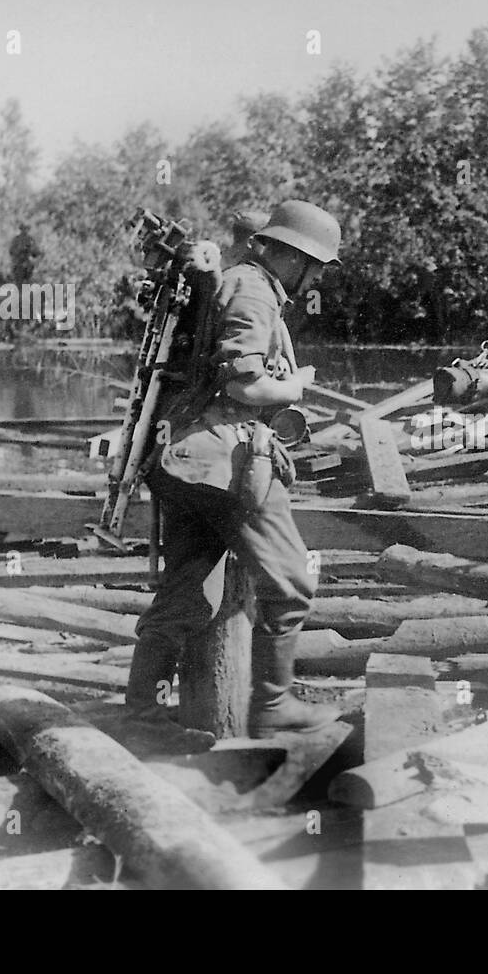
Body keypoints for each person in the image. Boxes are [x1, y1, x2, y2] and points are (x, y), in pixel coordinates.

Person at [128, 200, 342, 738]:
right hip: (225, 461)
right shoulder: (252, 289)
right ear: (291, 255)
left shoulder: (242, 283)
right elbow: (245, 385)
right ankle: (272, 708)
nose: (316, 275)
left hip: (186, 459)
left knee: (184, 594)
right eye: (314, 263)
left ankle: (142, 717)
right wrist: (293, 387)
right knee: (292, 582)